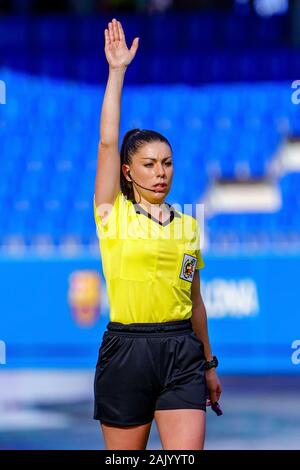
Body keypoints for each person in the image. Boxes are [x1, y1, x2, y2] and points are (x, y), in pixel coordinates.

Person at [93, 18, 222, 450]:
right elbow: (108, 143)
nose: (161, 172)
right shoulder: (112, 215)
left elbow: (196, 301)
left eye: (166, 163)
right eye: (149, 164)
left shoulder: (187, 224)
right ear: (128, 173)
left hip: (182, 354)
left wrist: (208, 364)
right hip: (126, 352)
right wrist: (117, 72)